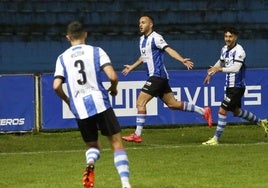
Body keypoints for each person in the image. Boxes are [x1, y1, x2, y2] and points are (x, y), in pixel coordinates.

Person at [53, 21, 132, 188]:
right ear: (85, 34)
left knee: (93, 145)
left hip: (79, 108)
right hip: (99, 102)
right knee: (116, 142)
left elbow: (56, 85)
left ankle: (90, 161)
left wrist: (68, 100)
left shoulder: (62, 58)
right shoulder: (97, 51)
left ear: (68, 37)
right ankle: (125, 184)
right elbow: (113, 77)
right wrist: (114, 89)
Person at [121, 15, 213, 143]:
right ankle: (203, 111)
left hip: (157, 76)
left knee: (140, 102)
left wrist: (181, 59)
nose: (140, 25)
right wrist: (132, 67)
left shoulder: (156, 38)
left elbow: (168, 49)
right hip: (159, 78)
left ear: (150, 24)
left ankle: (137, 134)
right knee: (172, 104)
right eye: (139, 23)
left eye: (143, 22)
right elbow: (143, 57)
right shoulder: (142, 39)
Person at [202, 27, 268, 145]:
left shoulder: (240, 51)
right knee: (236, 112)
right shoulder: (224, 49)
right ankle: (261, 122)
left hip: (237, 87)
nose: (227, 39)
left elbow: (236, 68)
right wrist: (211, 72)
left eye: (230, 36)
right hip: (230, 86)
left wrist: (219, 69)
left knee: (222, 110)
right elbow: (221, 61)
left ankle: (215, 139)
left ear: (235, 37)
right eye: (226, 36)